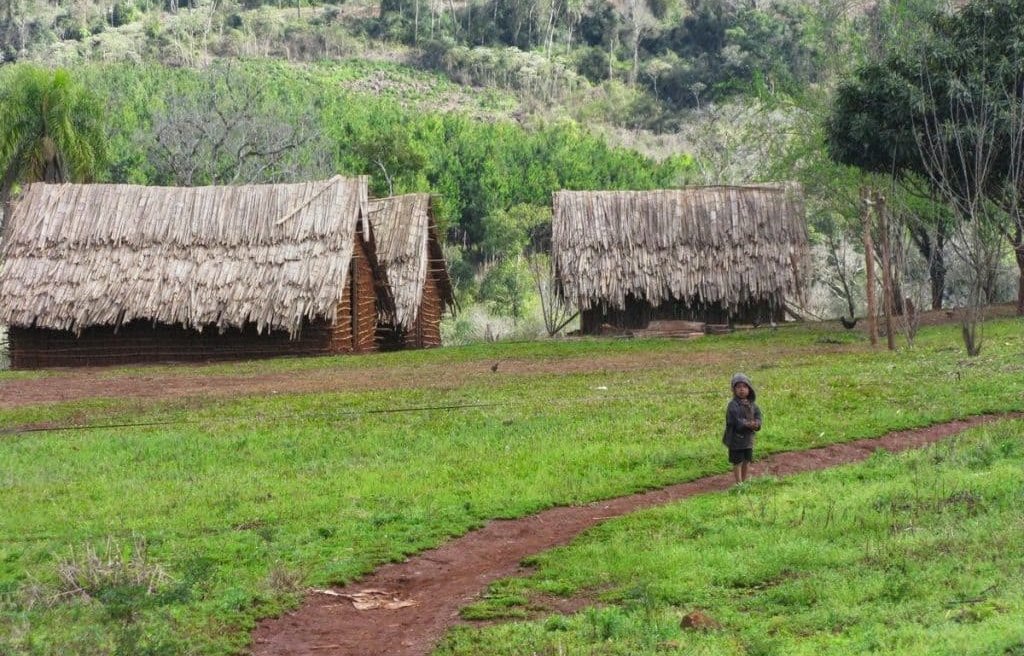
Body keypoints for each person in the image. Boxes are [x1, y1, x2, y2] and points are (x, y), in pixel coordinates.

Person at [722, 373, 762, 485]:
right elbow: (735, 420)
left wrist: (757, 423)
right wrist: (748, 424)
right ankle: (739, 483)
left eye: (744, 387)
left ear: (749, 389)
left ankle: (743, 481)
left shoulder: (753, 404)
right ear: (733, 390)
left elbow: (758, 416)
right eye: (738, 387)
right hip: (735, 440)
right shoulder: (732, 405)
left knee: (747, 460)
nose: (742, 390)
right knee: (737, 461)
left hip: (748, 440)